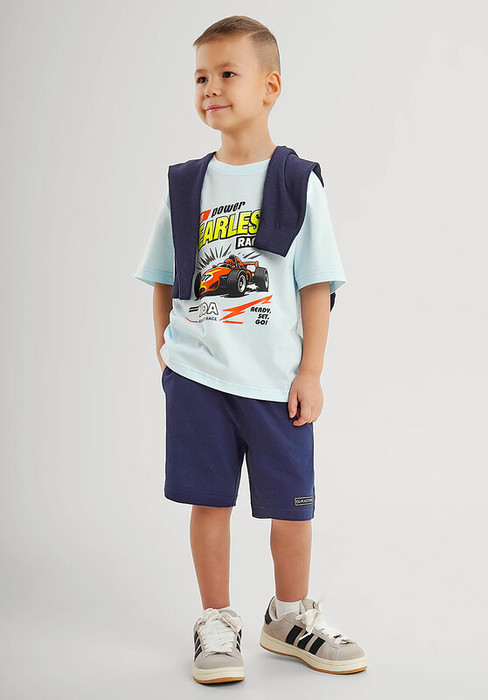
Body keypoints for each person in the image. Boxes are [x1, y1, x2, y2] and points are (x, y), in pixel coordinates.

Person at [134, 15, 367, 685]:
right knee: (209, 502)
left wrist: (311, 371)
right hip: (198, 378)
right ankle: (215, 620)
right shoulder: (186, 185)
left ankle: (288, 617)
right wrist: (166, 351)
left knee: (292, 508)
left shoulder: (295, 181)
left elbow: (316, 283)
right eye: (200, 77)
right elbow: (163, 274)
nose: (210, 88)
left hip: (274, 382)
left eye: (227, 74)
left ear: (270, 86)